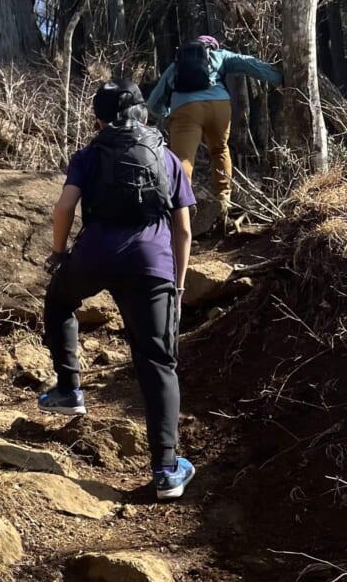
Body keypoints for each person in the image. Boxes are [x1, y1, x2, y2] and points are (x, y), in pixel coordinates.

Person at [38, 80, 196, 500]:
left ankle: (69, 390)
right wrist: (176, 285)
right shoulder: (167, 157)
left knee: (59, 300)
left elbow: (64, 207)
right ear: (143, 113)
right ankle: (166, 469)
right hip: (151, 263)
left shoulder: (89, 155)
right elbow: (182, 229)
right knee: (157, 361)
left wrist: (59, 255)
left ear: (99, 120)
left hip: (94, 253)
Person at [146, 35, 282, 216]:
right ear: (212, 46)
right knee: (219, 150)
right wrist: (279, 78)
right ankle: (223, 202)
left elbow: (155, 100)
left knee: (183, 160)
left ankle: (181, 207)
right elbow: (248, 63)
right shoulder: (220, 55)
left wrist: (166, 112)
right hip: (219, 105)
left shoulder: (176, 64)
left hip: (186, 110)